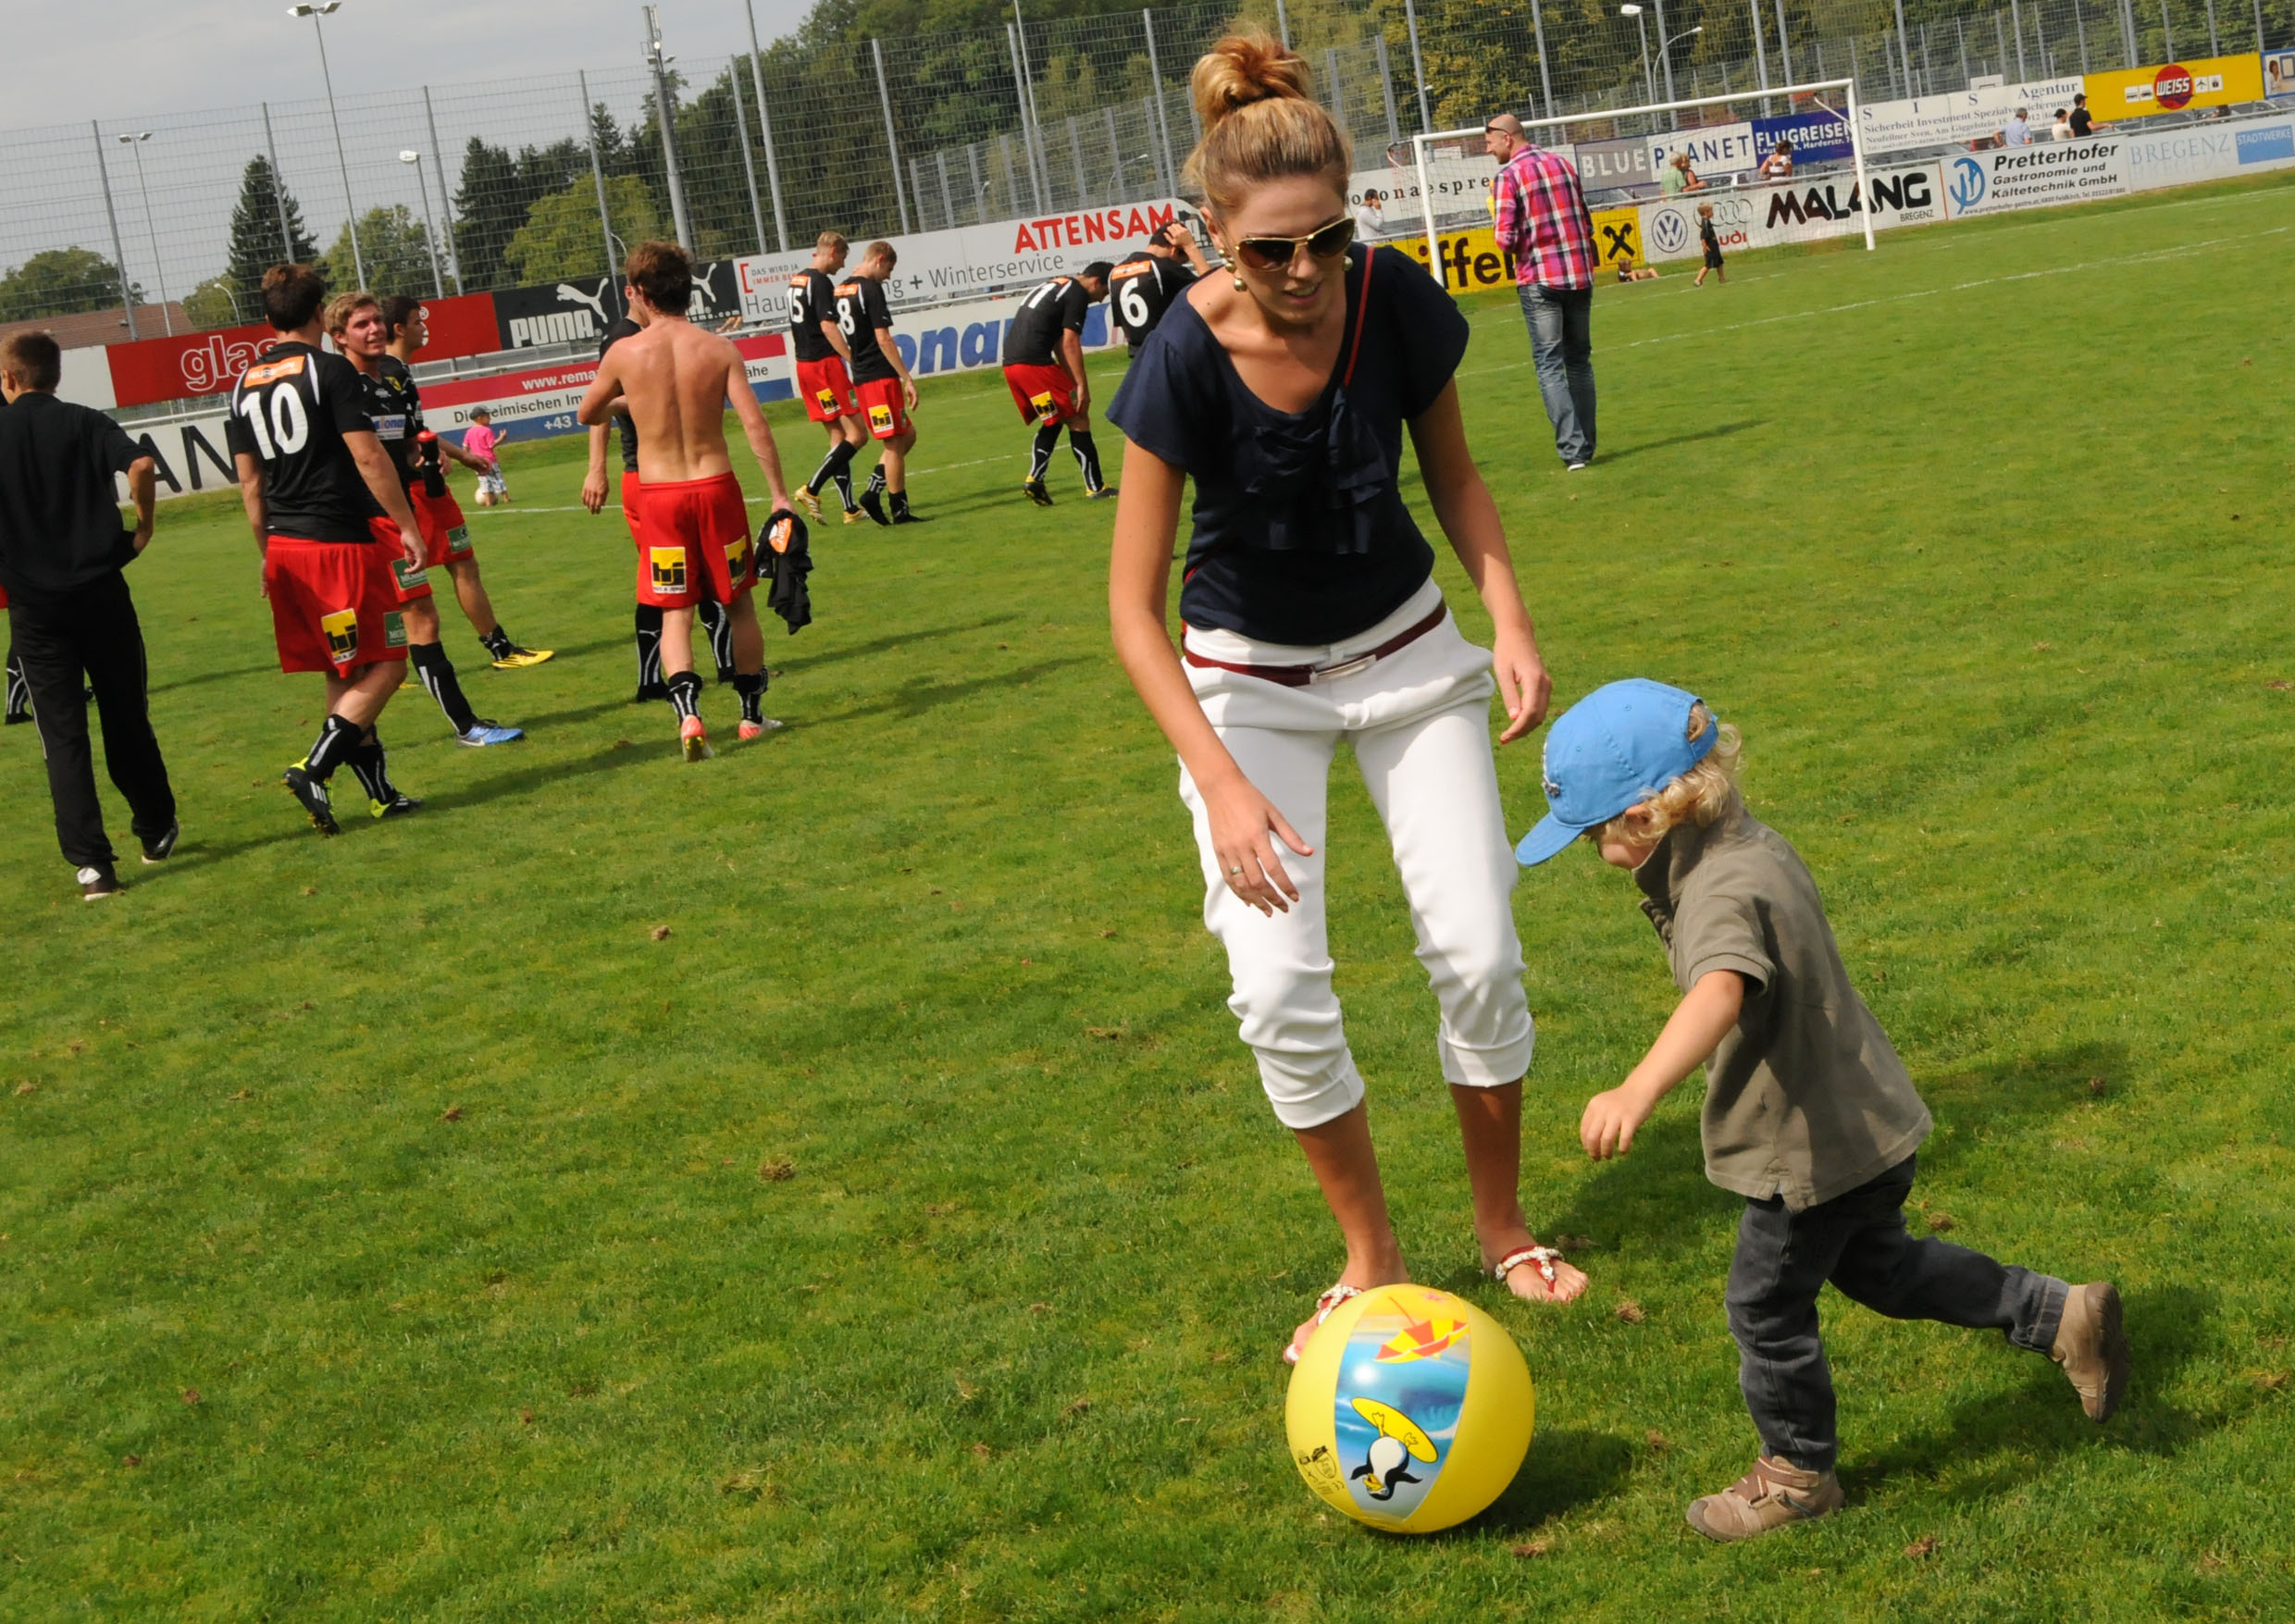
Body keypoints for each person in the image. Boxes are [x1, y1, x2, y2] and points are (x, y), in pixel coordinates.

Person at [1106, 33, 1584, 1369]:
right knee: (1275, 992)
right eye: (1271, 250)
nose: (1305, 268)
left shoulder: (1394, 297)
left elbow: (1458, 476)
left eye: (1327, 236)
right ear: (1215, 236)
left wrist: (1508, 619)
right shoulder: (1180, 357)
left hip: (1412, 660)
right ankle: (1370, 1255)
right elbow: (1130, 612)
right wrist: (1219, 780)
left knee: (1479, 952)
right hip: (1247, 690)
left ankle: (1502, 1225)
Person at [1517, 679, 2131, 1541]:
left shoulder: (1717, 889)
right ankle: (2060, 1313)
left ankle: (1798, 1473)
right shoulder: (1748, 843)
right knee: (1885, 1269)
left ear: (1647, 815)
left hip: (1803, 1150)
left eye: (1594, 835)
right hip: (1864, 1120)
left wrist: (1637, 1086)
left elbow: (1720, 988)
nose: (1596, 854)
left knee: (1763, 1306)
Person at [228, 263, 429, 835]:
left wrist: (266, 551)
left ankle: (380, 795)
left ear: (267, 318)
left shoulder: (243, 383)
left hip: (286, 548)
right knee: (389, 662)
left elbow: (250, 484)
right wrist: (408, 526)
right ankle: (313, 768)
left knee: (346, 670)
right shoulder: (329, 370)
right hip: (337, 544)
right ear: (320, 313)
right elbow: (368, 456)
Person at [577, 240, 797, 759]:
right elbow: (754, 424)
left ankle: (689, 717)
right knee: (738, 604)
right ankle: (751, 717)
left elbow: (588, 413)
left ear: (639, 292)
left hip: (659, 495)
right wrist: (779, 495)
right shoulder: (718, 349)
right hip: (716, 487)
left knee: (674, 611)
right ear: (688, 290)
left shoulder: (625, 352)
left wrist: (633, 398)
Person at [0, 331, 176, 899]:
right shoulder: (83, 420)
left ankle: (93, 865)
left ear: (8, 378)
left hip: (34, 610)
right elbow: (141, 465)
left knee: (62, 737)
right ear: (55, 375)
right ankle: (154, 826)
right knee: (126, 716)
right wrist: (143, 528)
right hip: (101, 593)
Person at [328, 293, 522, 754]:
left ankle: (340, 750)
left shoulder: (392, 379)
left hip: (393, 516)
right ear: (338, 338)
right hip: (368, 521)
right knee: (414, 624)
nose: (375, 329)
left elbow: (409, 443)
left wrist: (428, 456)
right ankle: (463, 726)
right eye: (362, 324)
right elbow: (358, 458)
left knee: (393, 632)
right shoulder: (340, 386)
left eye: (377, 321)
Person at [378, 295, 552, 671]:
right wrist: (429, 454)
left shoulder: (391, 371)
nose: (424, 327)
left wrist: (458, 455)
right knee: (459, 566)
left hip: (407, 487)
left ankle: (383, 664)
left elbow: (413, 430)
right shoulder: (390, 373)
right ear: (399, 329)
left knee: (411, 577)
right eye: (417, 321)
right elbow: (397, 435)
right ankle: (500, 650)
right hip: (416, 489)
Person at [581, 304, 738, 702]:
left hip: (657, 480)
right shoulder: (626, 339)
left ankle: (688, 673)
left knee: (671, 581)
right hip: (652, 479)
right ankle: (691, 673)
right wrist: (596, 468)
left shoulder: (644, 338)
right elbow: (599, 407)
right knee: (676, 582)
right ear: (633, 293)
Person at [1485, 110, 1597, 470]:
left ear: (1507, 138)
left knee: (1549, 365)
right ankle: (1587, 445)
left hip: (1539, 279)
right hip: (1579, 275)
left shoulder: (1508, 177)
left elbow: (1504, 240)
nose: (1488, 150)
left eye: (1489, 142)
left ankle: (1573, 451)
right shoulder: (1563, 164)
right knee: (1579, 361)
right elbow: (1587, 223)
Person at [1003, 263, 1114, 505]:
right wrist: (1082, 386)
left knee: (1054, 417)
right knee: (1078, 415)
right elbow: (1069, 343)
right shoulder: (1077, 293)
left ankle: (1035, 479)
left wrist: (1072, 381)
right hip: (1034, 365)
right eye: (1104, 292)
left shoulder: (1057, 284)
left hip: (1013, 365)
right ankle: (1095, 487)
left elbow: (1058, 343)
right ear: (1095, 281)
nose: (1102, 299)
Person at [834, 242, 925, 526]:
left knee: (907, 434)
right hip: (879, 377)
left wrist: (851, 358)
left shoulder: (841, 289)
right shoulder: (871, 289)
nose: (888, 276)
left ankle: (873, 491)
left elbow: (830, 328)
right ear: (880, 259)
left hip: (862, 376)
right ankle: (900, 510)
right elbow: (883, 338)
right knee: (894, 443)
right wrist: (906, 377)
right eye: (889, 269)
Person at [787, 231, 868, 525]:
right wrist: (851, 357)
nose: (842, 264)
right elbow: (828, 326)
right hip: (825, 367)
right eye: (843, 257)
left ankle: (849, 509)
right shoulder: (820, 282)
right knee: (858, 435)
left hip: (805, 366)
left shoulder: (797, 280)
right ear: (833, 251)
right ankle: (811, 489)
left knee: (838, 435)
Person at [1109, 221, 1212, 358]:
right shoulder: (1164, 267)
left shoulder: (1115, 273)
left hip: (1139, 358)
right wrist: (1190, 247)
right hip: (1169, 353)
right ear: (1173, 250)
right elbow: (1211, 288)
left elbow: (1124, 326)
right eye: (1181, 263)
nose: (1179, 266)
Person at [462, 409, 507, 504]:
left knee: (484, 481)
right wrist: (501, 438)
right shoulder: (487, 430)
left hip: (478, 462)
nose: (490, 419)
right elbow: (491, 445)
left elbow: (465, 447)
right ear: (480, 418)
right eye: (488, 417)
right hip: (490, 460)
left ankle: (488, 502)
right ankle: (506, 498)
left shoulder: (469, 431)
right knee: (498, 479)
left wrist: (468, 457)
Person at [1693, 203, 1725, 287]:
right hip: (1710, 247)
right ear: (1706, 212)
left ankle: (1722, 278)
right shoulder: (1706, 222)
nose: (1712, 212)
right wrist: (1704, 246)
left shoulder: (1707, 221)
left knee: (1720, 262)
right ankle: (1698, 280)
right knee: (1708, 265)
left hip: (1714, 245)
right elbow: (1703, 235)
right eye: (1711, 211)